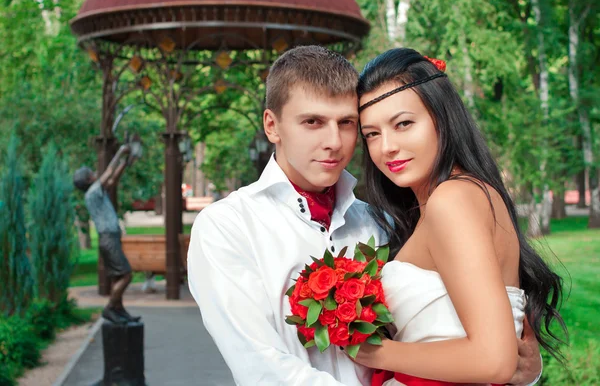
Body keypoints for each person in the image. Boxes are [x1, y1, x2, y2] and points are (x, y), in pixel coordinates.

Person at [187, 46, 543, 385]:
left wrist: (525, 369)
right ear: (272, 126)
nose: (333, 141)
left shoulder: (382, 221)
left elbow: (459, 335)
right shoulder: (228, 226)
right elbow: (263, 370)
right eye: (312, 121)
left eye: (346, 123)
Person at [352, 48, 566, 386]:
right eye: (372, 134)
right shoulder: (461, 196)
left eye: (403, 123)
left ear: (442, 116)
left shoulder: (452, 200)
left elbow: (493, 361)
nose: (387, 146)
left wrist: (371, 351)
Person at [73, 135, 143, 324]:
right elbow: (108, 173)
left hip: (109, 238)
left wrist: (125, 163)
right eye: (93, 173)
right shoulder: (93, 192)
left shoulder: (96, 193)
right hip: (109, 238)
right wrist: (120, 152)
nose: (97, 173)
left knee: (118, 277)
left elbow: (113, 179)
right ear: (89, 179)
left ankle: (119, 310)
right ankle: (111, 307)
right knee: (127, 275)